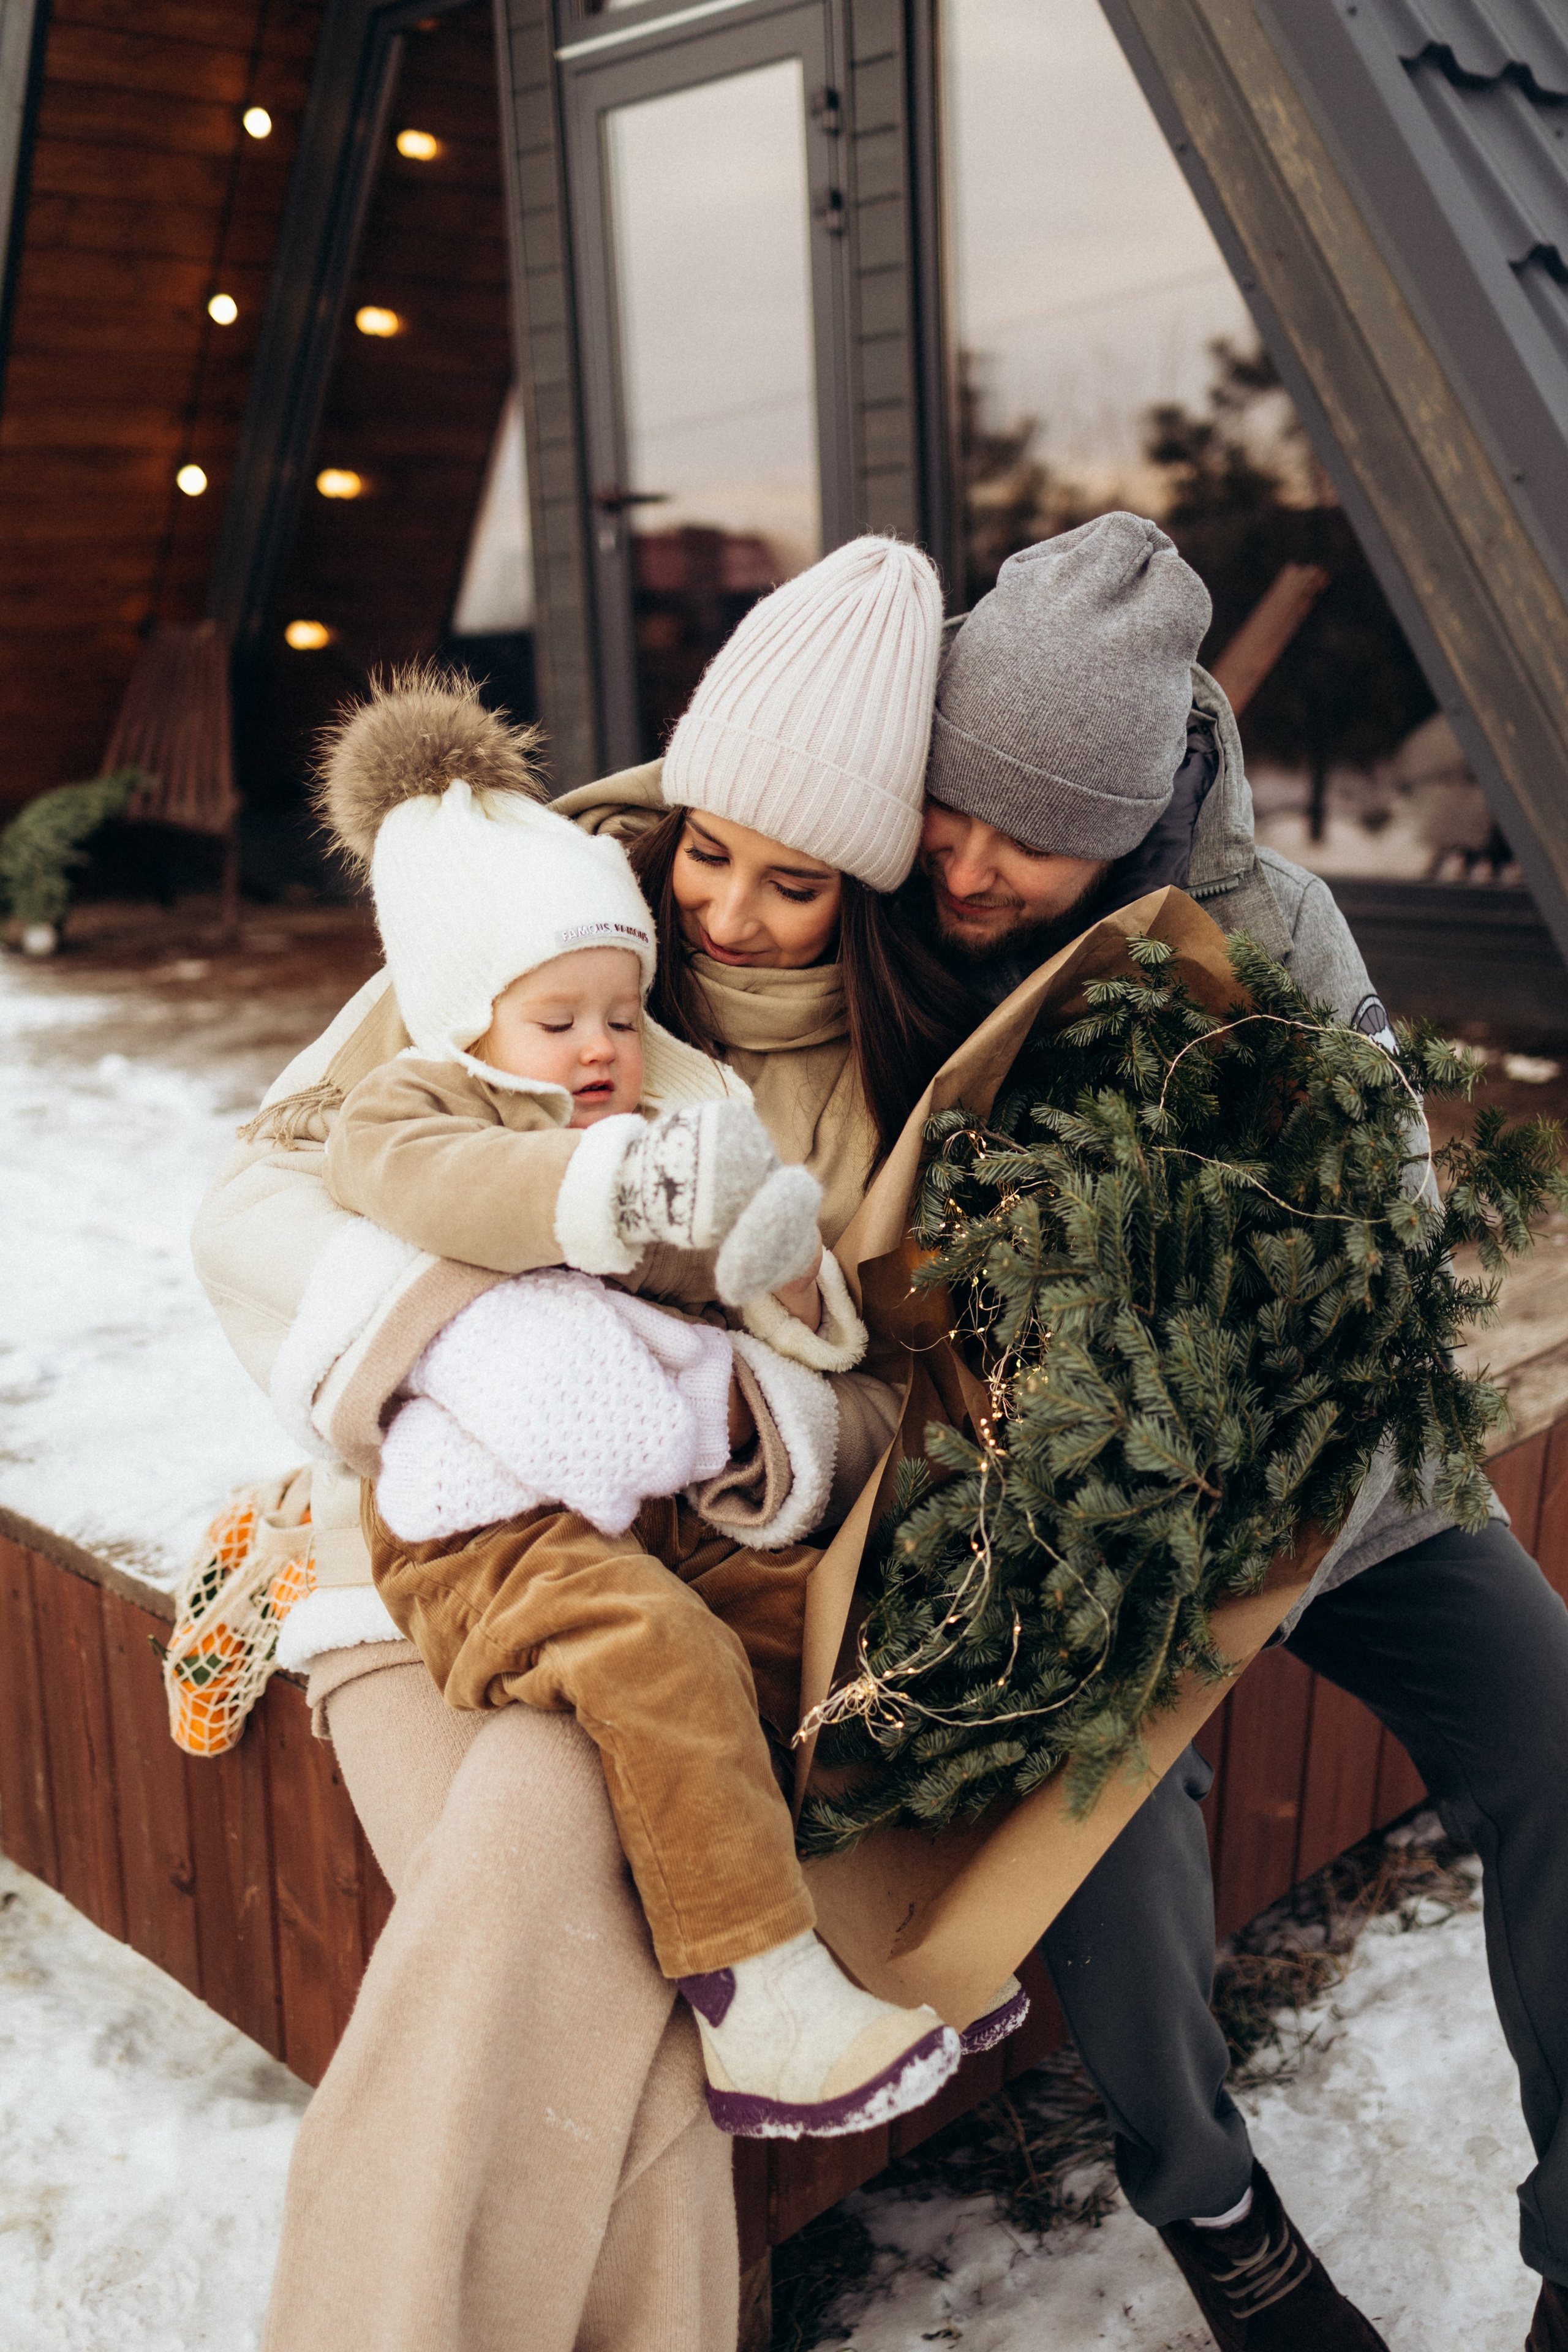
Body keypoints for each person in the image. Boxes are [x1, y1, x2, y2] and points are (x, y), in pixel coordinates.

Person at [193, 534, 979, 2350]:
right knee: (570, 1893)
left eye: (796, 885)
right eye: (710, 844)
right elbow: (259, 1208)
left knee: (584, 1912)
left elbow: (882, 1402)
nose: (725, 913)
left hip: (670, 1589)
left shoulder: (889, 1090)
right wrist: (478, 1335)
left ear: (864, 893)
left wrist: (727, 1408)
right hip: (404, 1563)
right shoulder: (510, 912)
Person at [903, 513, 1568, 2352]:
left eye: (1018, 831)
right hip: (1078, 1508)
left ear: (1125, 816)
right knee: (1111, 1819)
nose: (962, 860)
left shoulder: (1274, 926)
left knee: (1558, 1732)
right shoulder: (902, 905)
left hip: (1342, 1472)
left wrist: (1272, 1455)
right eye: (948, 809)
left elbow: (1395, 1231)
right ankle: (1213, 2210)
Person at [311, 662, 961, 2139]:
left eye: (620, 1010)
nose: (601, 1047)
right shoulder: (419, 1106)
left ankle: (861, 1924)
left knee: (795, 1625)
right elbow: (432, 1188)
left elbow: (715, 1280)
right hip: (479, 1542)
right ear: (464, 1019)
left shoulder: (643, 1108)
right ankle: (753, 1991)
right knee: (659, 1657)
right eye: (558, 1021)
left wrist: (786, 1285)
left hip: (629, 1511)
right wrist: (610, 1187)